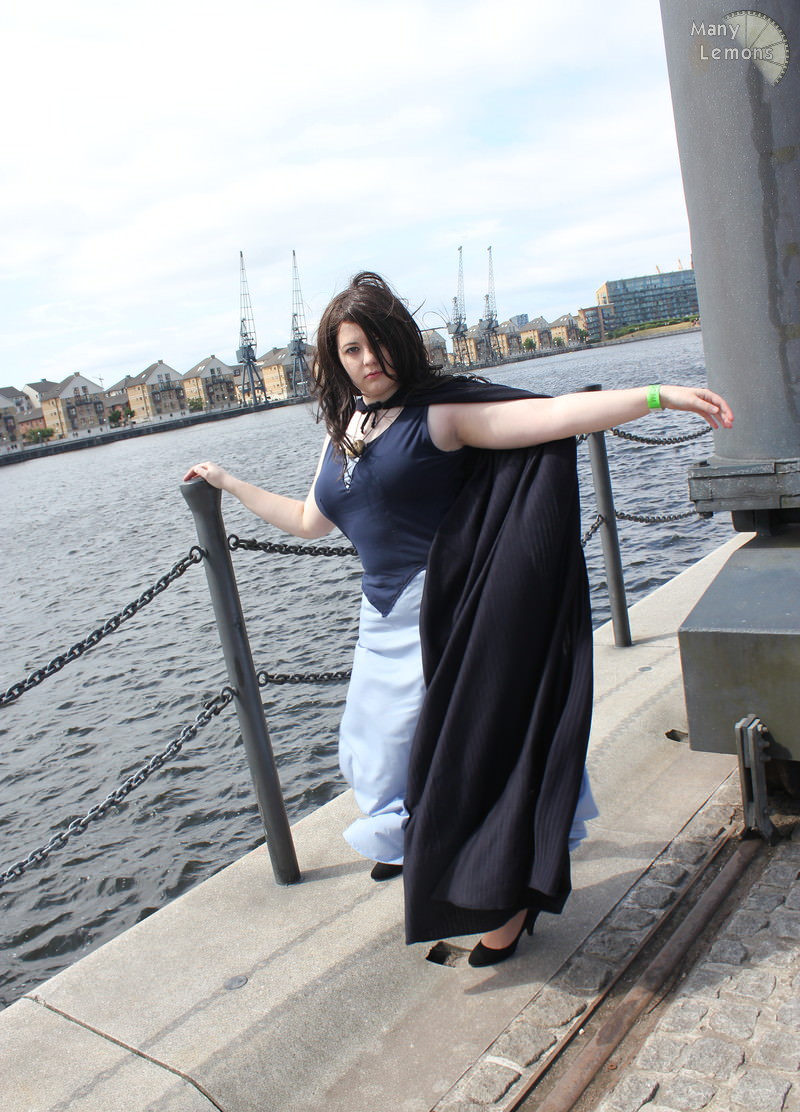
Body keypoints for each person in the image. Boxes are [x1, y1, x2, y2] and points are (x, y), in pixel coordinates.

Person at [185, 271, 732, 966]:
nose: (368, 360)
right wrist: (229, 484)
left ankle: (505, 902)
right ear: (335, 359)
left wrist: (659, 396)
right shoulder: (343, 429)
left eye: (378, 343)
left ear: (401, 342)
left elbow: (555, 416)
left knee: (475, 755)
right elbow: (308, 519)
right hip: (381, 617)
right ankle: (429, 850)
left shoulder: (440, 414)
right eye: (352, 349)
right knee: (374, 752)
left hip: (447, 615)